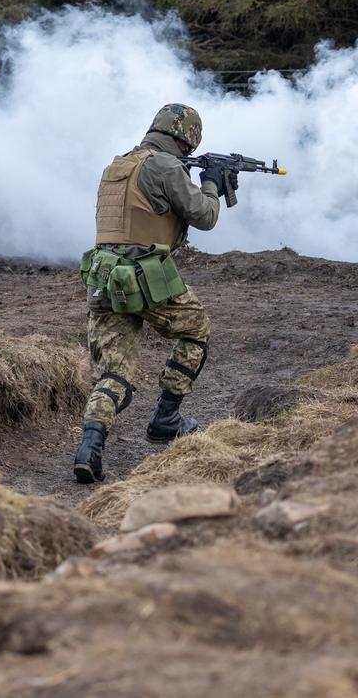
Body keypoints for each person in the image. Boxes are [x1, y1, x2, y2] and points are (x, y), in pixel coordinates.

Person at [73, 103, 234, 484]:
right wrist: (211, 182)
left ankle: (89, 448)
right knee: (196, 331)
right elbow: (205, 216)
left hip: (105, 276)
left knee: (114, 372)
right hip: (147, 274)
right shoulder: (166, 166)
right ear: (186, 137)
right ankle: (166, 418)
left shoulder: (117, 165)